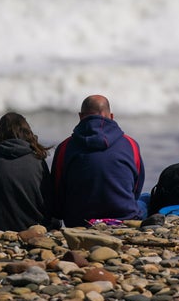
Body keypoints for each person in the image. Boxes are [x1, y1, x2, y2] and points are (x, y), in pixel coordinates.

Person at [51, 94, 146, 226]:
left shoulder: (65, 147)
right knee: (145, 199)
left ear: (80, 116)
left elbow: (58, 192)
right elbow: (136, 188)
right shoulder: (131, 144)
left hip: (79, 221)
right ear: (111, 116)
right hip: (124, 219)